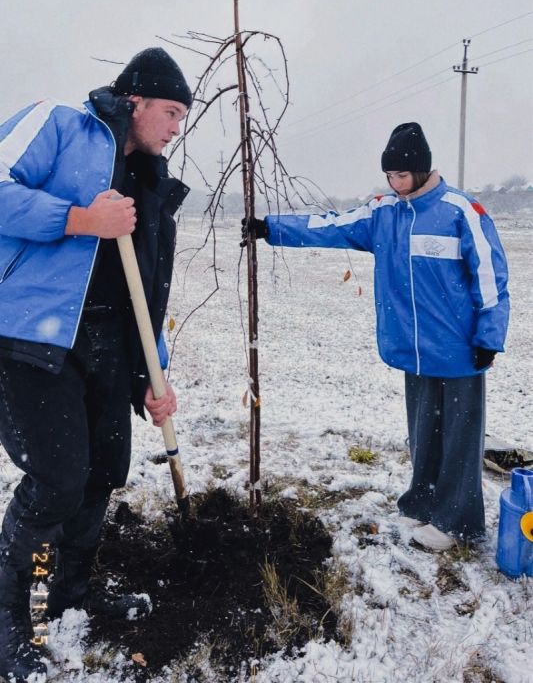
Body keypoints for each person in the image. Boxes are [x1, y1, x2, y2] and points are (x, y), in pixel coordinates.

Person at [0, 47, 192, 680]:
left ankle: (69, 590)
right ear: (134, 100)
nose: (174, 128)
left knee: (104, 470)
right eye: (169, 112)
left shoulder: (154, 182)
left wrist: (154, 376)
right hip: (33, 337)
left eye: (182, 118)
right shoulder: (59, 123)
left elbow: (149, 293)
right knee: (57, 477)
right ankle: (7, 617)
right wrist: (80, 218)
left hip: (111, 344)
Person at [244, 122, 509, 552]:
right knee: (424, 431)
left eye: (401, 176)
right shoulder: (383, 212)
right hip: (412, 349)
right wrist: (269, 229)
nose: (394, 183)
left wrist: (489, 337)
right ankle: (422, 502)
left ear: (422, 170)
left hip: (459, 349)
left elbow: (491, 279)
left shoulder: (461, 211)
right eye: (389, 176)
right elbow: (329, 226)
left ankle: (456, 521)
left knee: (459, 436)